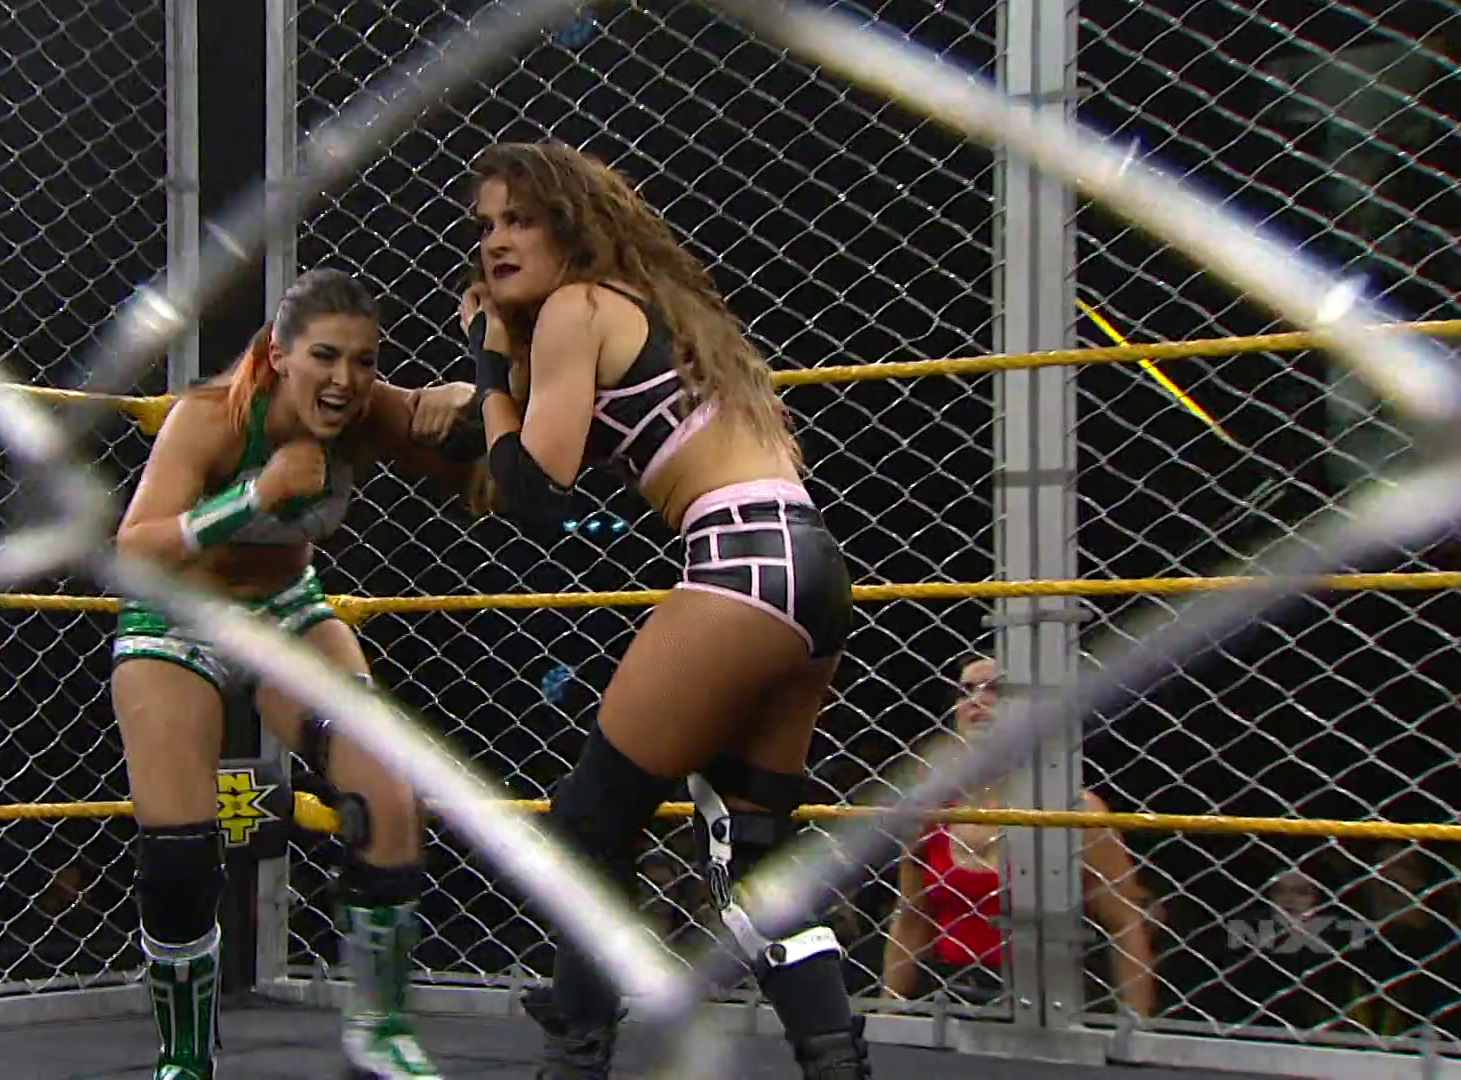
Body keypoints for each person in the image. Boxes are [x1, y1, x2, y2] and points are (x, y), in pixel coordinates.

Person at [454, 141, 868, 1080]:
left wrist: (487, 365)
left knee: (590, 820)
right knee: (754, 850)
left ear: (571, 226)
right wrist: (496, 386)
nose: (496, 241)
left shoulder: (577, 308)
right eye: (485, 226)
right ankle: (835, 1063)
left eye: (520, 220)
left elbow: (534, 491)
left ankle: (578, 1043)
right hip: (811, 566)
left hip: (737, 563)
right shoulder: (657, 310)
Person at [111, 267, 485, 1080]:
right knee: (178, 857)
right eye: (324, 356)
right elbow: (133, 546)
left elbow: (481, 474)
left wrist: (477, 400)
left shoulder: (370, 414)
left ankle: (379, 1037)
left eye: (364, 361)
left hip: (286, 611)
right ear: (279, 356)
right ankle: (185, 1057)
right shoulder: (210, 418)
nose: (345, 380)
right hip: (176, 618)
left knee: (387, 791)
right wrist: (255, 495)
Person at [878, 655, 1156, 1018]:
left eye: (995, 689)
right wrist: (887, 1016)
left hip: (1047, 1002)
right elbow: (911, 919)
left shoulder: (1074, 810)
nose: (977, 700)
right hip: (946, 999)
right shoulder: (931, 810)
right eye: (966, 691)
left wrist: (1136, 1030)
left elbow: (1125, 926)